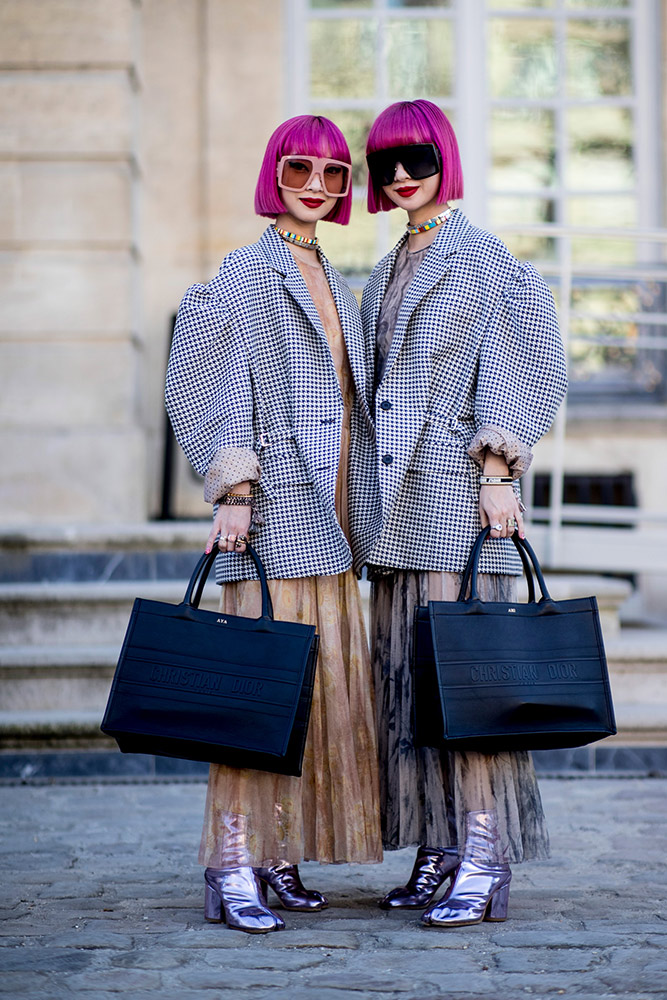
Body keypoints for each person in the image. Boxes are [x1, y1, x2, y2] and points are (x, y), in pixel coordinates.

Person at [165, 115, 382, 934]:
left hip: (333, 523)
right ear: (274, 174)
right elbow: (199, 385)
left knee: (315, 698)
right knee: (256, 699)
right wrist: (232, 490)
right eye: (300, 169)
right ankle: (230, 865)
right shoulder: (243, 274)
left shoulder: (331, 271)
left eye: (333, 171)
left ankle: (276, 853)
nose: (318, 185)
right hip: (272, 516)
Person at [360, 99, 568, 927]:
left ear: (445, 156)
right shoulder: (384, 267)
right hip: (393, 507)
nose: (401, 174)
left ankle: (484, 854)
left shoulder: (486, 261)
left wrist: (496, 474)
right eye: (384, 162)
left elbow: (525, 366)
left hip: (456, 496)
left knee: (469, 683)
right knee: (408, 683)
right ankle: (437, 845)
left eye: (415, 157)